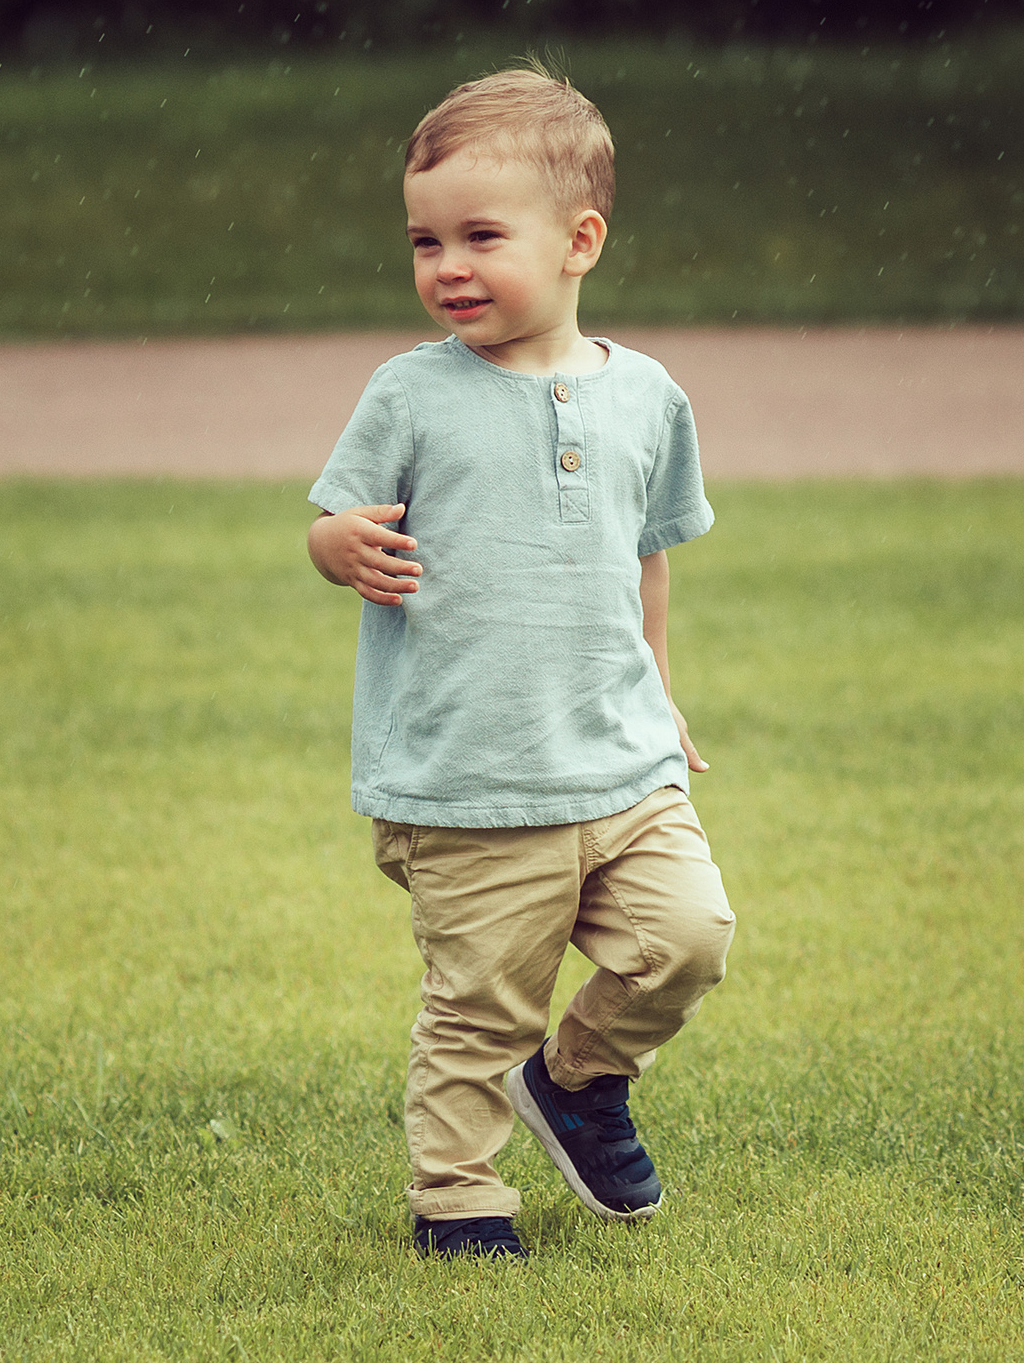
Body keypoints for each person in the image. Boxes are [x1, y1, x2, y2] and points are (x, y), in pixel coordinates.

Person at [306, 62, 738, 1261]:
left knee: (689, 936)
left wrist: (658, 687)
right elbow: (332, 521)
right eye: (423, 240)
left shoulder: (648, 397)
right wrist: (340, 545)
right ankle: (459, 1198)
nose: (446, 265)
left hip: (621, 755)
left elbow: (646, 556)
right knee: (475, 1008)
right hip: (472, 777)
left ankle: (580, 1080)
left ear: (578, 240)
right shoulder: (409, 395)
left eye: (479, 236)